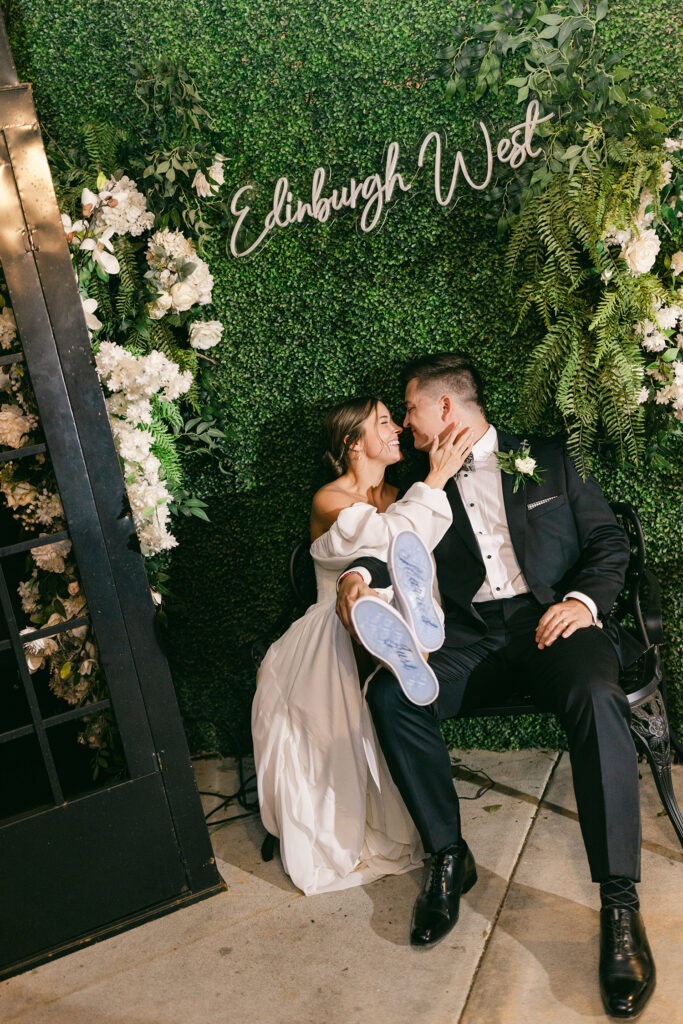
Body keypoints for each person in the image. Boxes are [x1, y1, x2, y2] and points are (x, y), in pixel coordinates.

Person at [336, 353, 655, 1021]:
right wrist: (359, 578)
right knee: (393, 694)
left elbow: (605, 542)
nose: (407, 424)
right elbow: (389, 539)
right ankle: (449, 855)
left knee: (597, 699)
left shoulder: (552, 457)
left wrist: (579, 602)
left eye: (412, 409)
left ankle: (619, 903)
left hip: (553, 626)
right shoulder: (420, 480)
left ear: (445, 408)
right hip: (468, 639)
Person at [251, 395, 472, 895]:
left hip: (401, 618)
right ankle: (395, 633)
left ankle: (412, 629)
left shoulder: (402, 495)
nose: (396, 428)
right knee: (365, 583)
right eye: (384, 422)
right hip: (332, 625)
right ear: (354, 443)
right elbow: (385, 537)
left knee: (400, 574)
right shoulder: (329, 500)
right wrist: (434, 481)